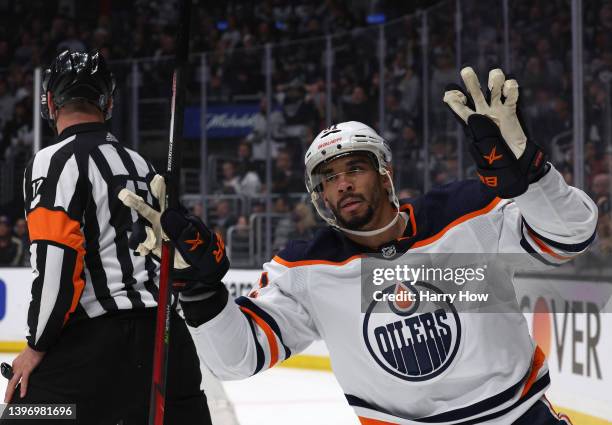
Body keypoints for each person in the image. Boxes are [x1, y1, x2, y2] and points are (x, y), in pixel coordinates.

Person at [122, 68, 597, 424]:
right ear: (319, 196)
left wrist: (532, 180)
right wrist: (200, 291)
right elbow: (236, 360)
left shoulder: (465, 214)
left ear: (385, 173)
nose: (343, 184)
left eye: (355, 169)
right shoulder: (307, 269)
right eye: (329, 179)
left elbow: (571, 236)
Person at [1, 50, 211, 425]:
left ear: (49, 101)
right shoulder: (141, 164)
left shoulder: (53, 161)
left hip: (92, 351)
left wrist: (35, 346)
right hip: (167, 342)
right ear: (109, 101)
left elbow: (58, 263)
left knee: (29, 415)